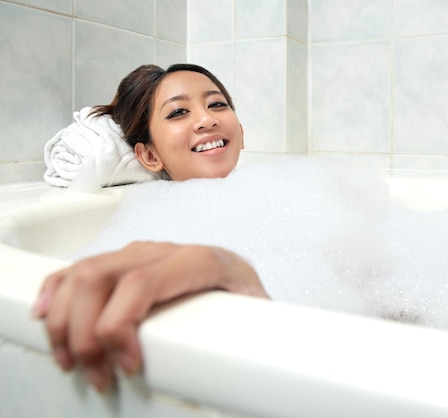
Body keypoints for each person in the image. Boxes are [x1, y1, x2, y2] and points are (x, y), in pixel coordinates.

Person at [32, 64, 270, 393]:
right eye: (178, 112)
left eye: (217, 104)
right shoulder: (156, 219)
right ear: (149, 155)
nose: (207, 119)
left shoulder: (290, 198)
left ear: (240, 131)